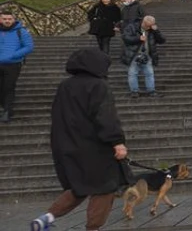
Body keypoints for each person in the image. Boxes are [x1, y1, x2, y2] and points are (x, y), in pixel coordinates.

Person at [30, 49, 130, 231]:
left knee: (80, 186)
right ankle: (93, 227)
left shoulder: (65, 86)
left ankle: (46, 217)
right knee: (105, 187)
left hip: (68, 144)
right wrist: (117, 141)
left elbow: (57, 115)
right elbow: (105, 116)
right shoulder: (99, 85)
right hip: (95, 147)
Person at [0, 10, 34, 123]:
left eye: (9, 19)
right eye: (4, 19)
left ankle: (7, 111)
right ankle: (5, 106)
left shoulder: (21, 32)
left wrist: (14, 55)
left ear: (14, 19)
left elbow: (28, 47)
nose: (7, 21)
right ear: (1, 20)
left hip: (13, 64)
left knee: (9, 87)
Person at [122, 16, 165, 99]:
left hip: (147, 55)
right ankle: (134, 91)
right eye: (148, 26)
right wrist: (138, 38)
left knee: (149, 73)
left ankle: (151, 91)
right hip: (134, 54)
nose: (149, 28)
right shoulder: (132, 27)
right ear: (143, 22)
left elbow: (162, 40)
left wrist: (156, 31)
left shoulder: (152, 29)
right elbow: (125, 38)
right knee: (132, 73)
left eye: (151, 26)